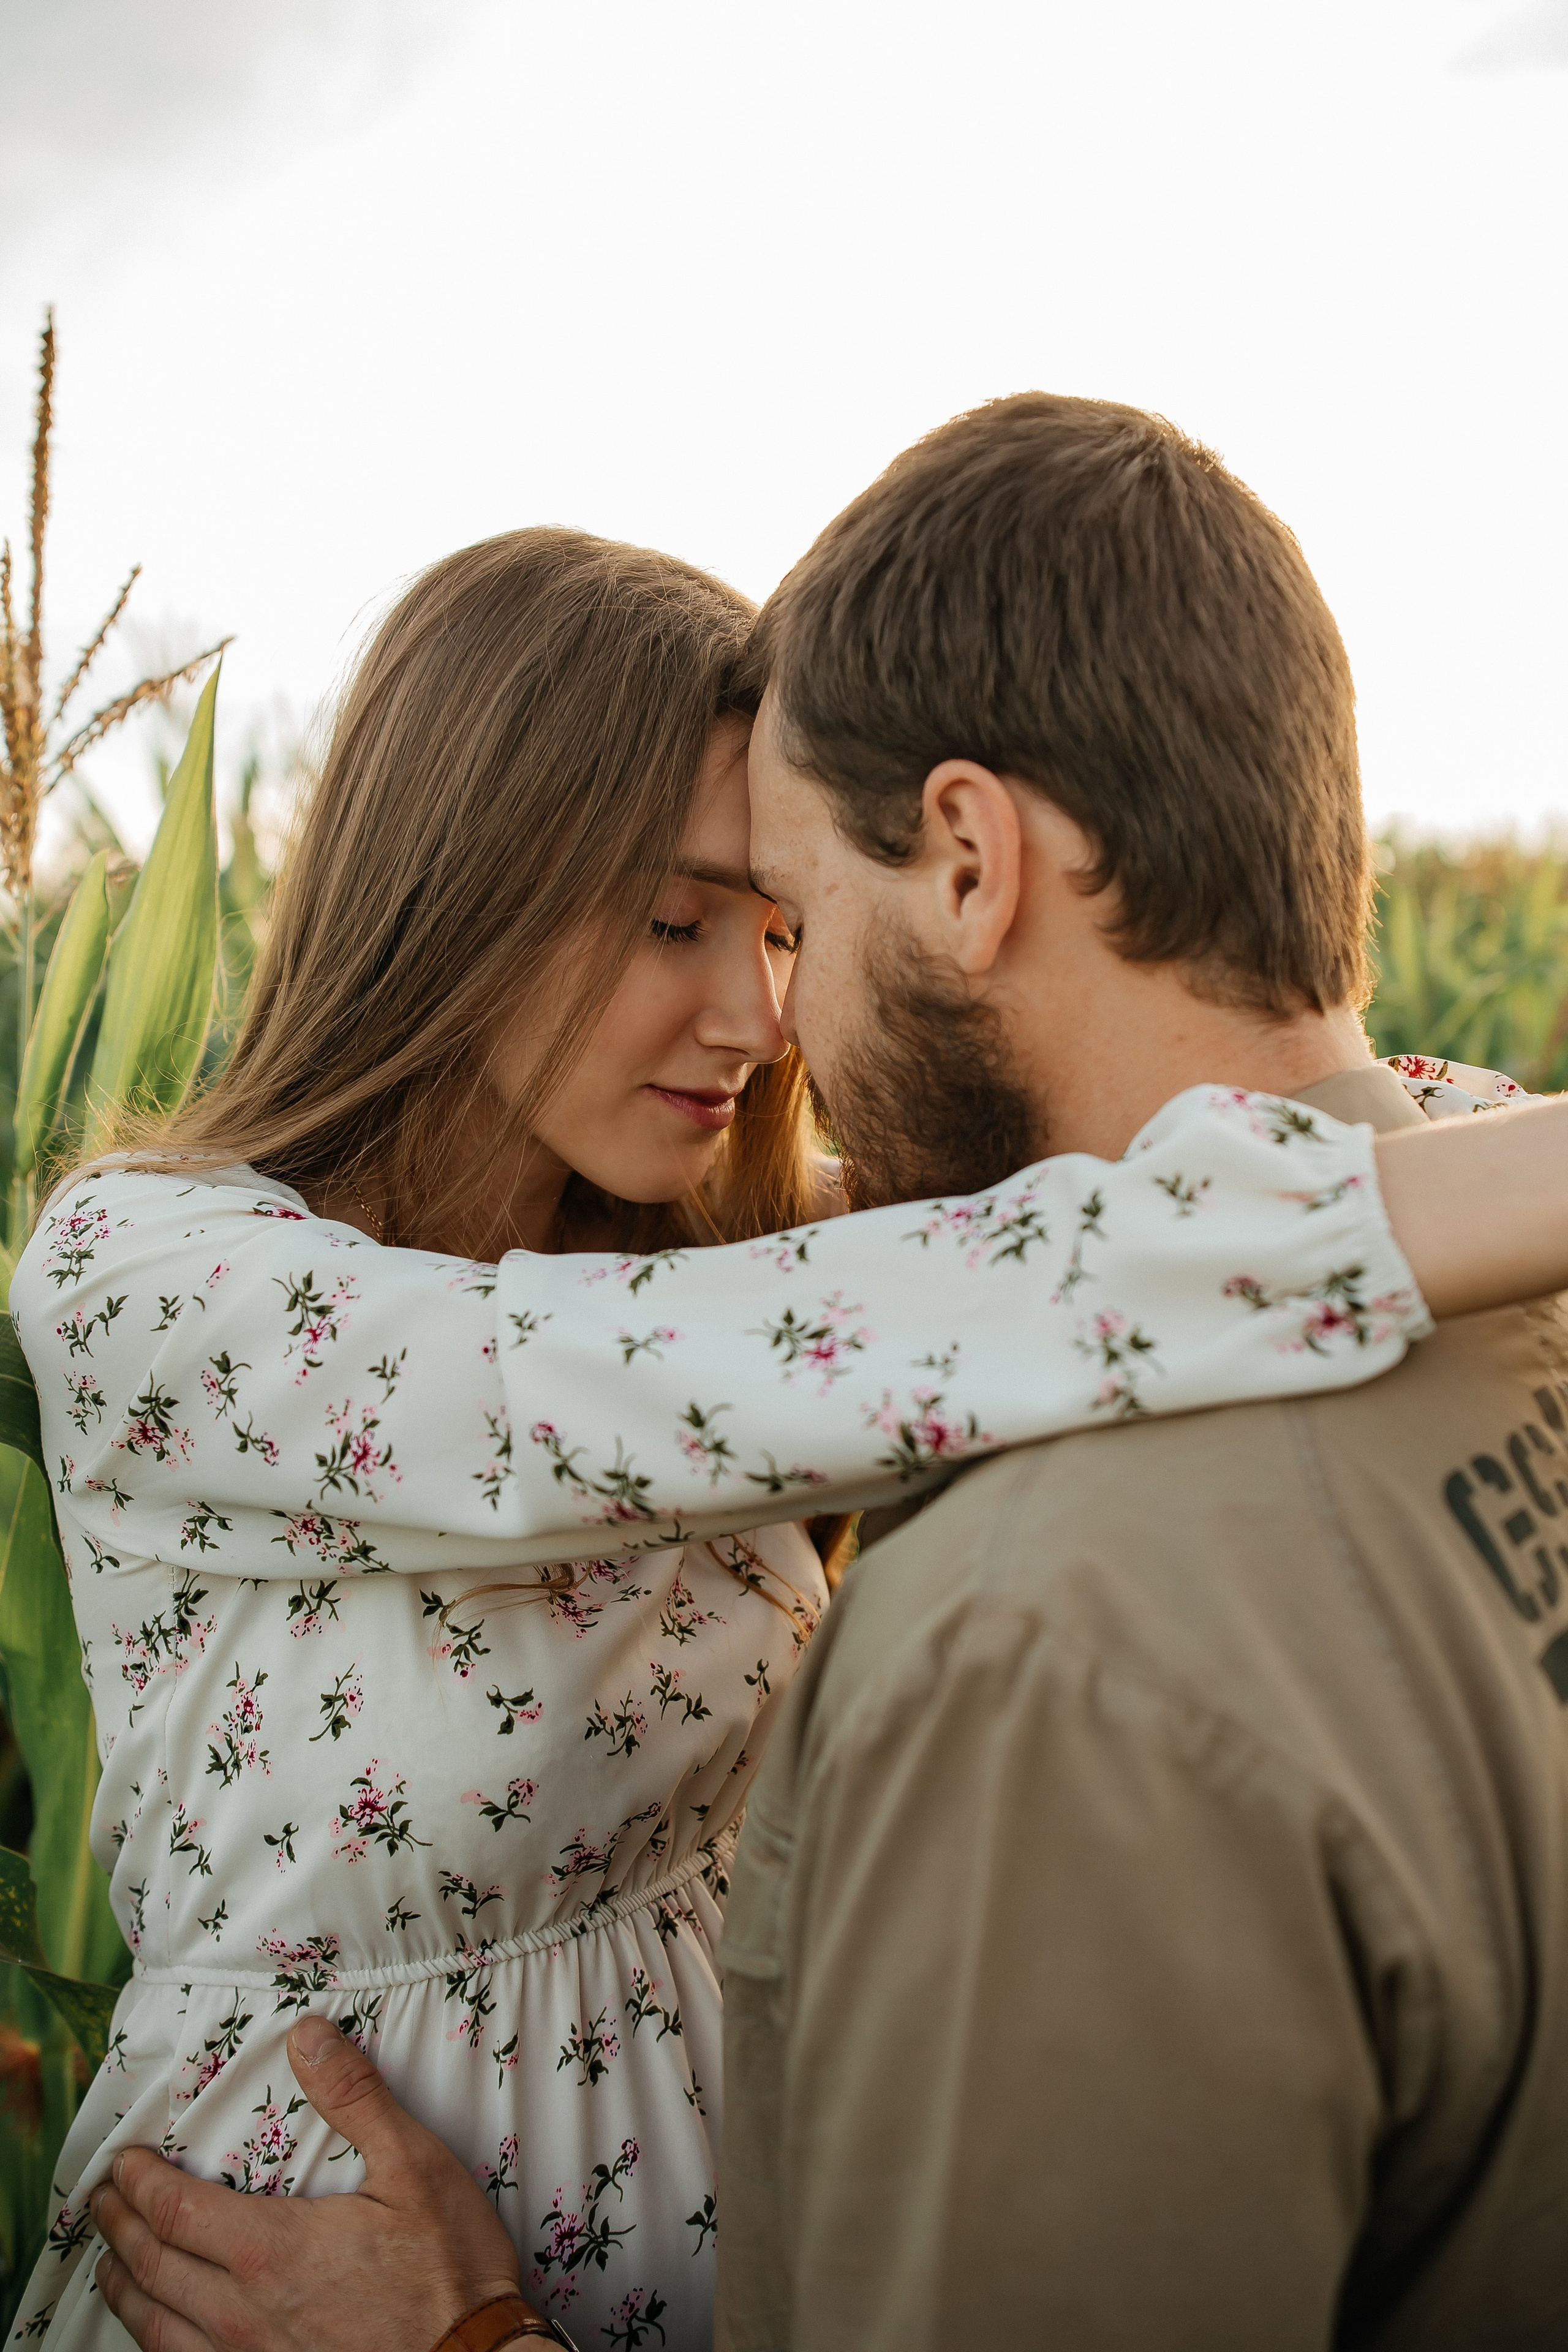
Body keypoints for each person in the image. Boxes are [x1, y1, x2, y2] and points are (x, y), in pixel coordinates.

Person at [61, 402, 1568, 2352]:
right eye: (679, 918)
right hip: (291, 2291)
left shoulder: (717, 1267)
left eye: (782, 925)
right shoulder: (159, 1283)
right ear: (462, 881)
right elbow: (1007, 1274)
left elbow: (1080, 1218)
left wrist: (1445, 1126)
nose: (767, 1016)